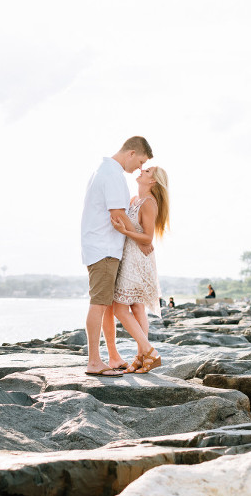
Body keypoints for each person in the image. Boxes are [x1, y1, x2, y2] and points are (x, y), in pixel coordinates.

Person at [80, 136, 152, 377]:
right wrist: (141, 238)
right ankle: (93, 362)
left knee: (108, 306)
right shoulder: (111, 174)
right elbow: (118, 214)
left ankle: (112, 356)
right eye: (140, 161)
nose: (139, 168)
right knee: (99, 303)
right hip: (103, 248)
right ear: (131, 153)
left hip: (105, 247)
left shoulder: (106, 171)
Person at [110, 166, 170, 374]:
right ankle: (140, 358)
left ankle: (150, 351)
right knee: (136, 308)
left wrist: (124, 231)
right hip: (130, 256)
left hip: (138, 260)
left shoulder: (149, 203)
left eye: (147, 172)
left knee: (119, 308)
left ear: (152, 181)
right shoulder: (134, 198)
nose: (142, 170)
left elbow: (148, 238)